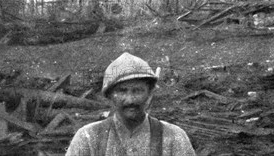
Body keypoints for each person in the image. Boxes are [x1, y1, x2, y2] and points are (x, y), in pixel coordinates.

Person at [65, 52, 196, 156]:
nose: (130, 100)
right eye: (122, 91)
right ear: (109, 95)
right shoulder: (88, 138)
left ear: (149, 94)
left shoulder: (173, 137)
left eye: (137, 91)